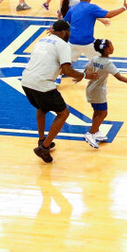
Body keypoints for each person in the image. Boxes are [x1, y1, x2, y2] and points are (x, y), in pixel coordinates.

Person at [20, 18, 85, 162]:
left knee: (41, 108)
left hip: (26, 81)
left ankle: (42, 139)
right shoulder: (63, 44)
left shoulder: (42, 40)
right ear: (63, 32)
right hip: (42, 84)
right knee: (63, 113)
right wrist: (82, 75)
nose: (69, 34)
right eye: (68, 32)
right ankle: (44, 148)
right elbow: (67, 69)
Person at [81, 37, 127, 148]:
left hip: (91, 89)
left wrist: (81, 77)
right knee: (103, 113)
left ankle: (95, 131)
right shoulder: (108, 64)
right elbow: (119, 77)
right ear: (108, 49)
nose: (113, 47)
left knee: (97, 112)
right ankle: (90, 133)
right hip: (99, 91)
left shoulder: (94, 58)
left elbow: (86, 71)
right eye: (111, 45)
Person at [65, 0, 127, 66]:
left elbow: (64, 23)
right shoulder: (92, 7)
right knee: (103, 60)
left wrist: (54, 30)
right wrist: (124, 8)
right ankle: (91, 74)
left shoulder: (72, 9)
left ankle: (58, 77)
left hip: (72, 41)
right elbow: (109, 14)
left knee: (66, 62)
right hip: (87, 42)